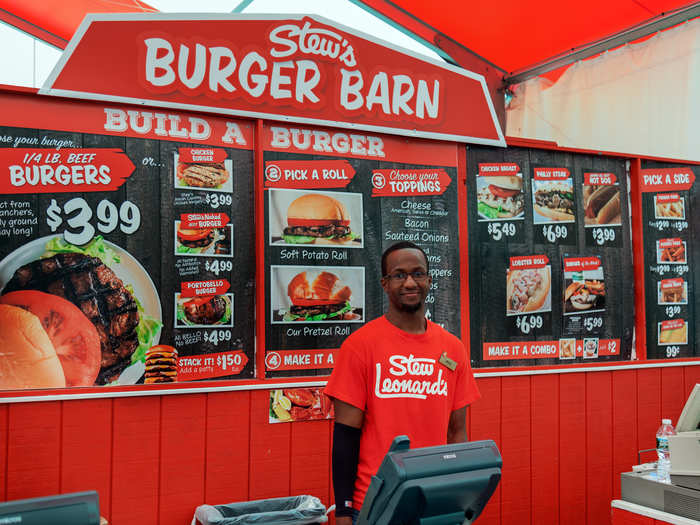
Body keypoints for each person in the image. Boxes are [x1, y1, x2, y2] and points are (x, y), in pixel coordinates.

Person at [324, 241, 480, 525]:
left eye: (418, 273)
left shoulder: (453, 349)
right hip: (374, 505)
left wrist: (459, 496)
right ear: (385, 283)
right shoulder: (360, 347)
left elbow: (457, 432)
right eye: (399, 275)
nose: (410, 282)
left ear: (429, 281)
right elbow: (345, 438)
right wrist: (344, 511)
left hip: (434, 502)